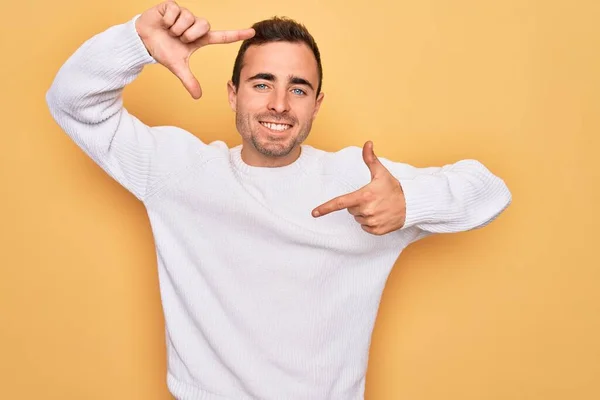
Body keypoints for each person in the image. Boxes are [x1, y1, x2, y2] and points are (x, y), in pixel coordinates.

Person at [46, 1, 512, 399]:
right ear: (233, 94)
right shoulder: (178, 172)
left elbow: (490, 188)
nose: (279, 104)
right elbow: (72, 102)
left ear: (317, 103)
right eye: (262, 83)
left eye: (298, 89)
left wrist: (410, 202)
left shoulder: (361, 184)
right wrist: (137, 43)